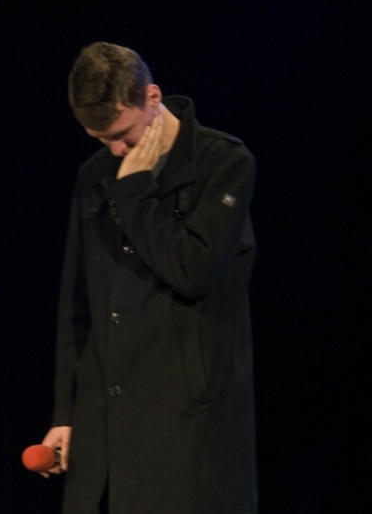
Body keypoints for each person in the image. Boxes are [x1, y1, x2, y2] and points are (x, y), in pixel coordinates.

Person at [41, 43, 258, 513]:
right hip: (105, 418)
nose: (116, 151)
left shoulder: (225, 163)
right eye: (101, 139)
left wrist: (135, 191)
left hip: (187, 423)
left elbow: (193, 271)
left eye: (122, 135)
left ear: (153, 98)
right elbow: (76, 304)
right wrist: (66, 412)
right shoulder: (94, 174)